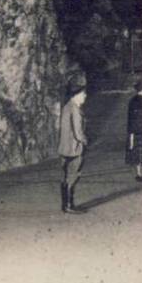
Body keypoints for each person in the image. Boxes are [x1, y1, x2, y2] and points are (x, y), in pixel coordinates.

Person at [58, 83, 88, 214]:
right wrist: (85, 141)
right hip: (74, 149)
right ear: (76, 95)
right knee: (73, 176)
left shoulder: (67, 106)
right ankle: (70, 205)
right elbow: (78, 131)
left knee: (65, 176)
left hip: (64, 148)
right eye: (83, 94)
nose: (85, 96)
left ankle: (65, 205)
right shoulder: (75, 109)